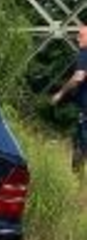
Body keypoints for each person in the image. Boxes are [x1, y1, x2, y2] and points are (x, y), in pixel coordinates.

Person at [50, 25, 87, 173]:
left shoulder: (84, 53)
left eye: (81, 35)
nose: (77, 38)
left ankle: (77, 180)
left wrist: (60, 93)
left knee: (81, 143)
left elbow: (79, 77)